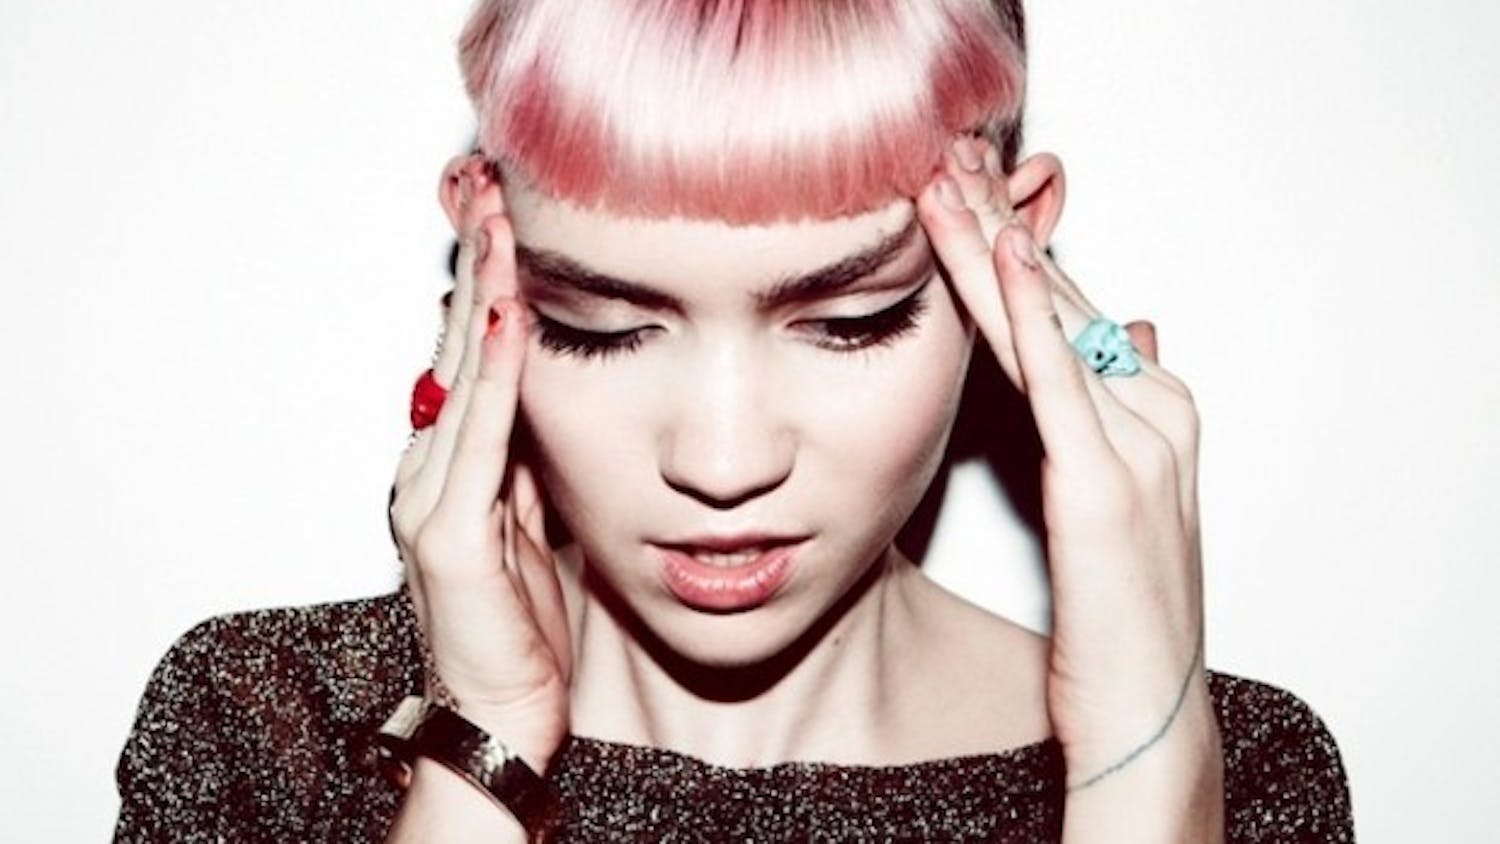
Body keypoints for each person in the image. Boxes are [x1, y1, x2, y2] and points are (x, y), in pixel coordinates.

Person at [113, 1, 1355, 840]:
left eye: (850, 321)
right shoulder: (267, 731)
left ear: (1010, 259)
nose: (721, 462)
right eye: (600, 323)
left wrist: (1145, 761)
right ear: (488, 253)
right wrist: (477, 757)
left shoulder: (1246, 771)